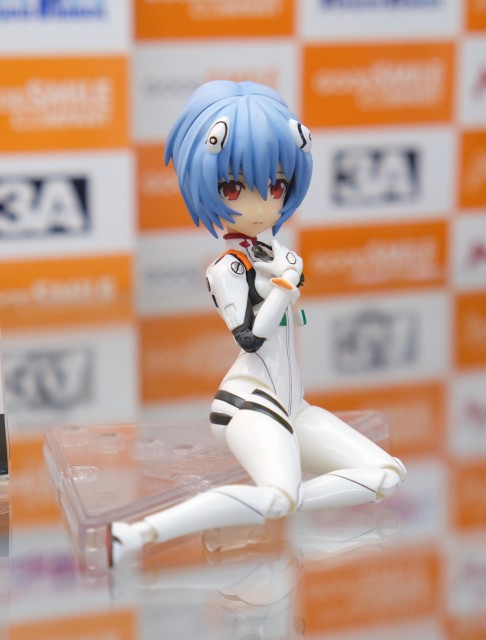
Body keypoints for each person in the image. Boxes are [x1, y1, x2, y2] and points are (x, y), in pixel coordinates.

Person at [109, 81, 406, 566]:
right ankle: (139, 534)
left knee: (387, 474)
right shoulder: (228, 268)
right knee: (276, 495)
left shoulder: (277, 255)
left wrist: (286, 278)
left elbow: (291, 323)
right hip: (248, 400)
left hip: (294, 404)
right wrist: (285, 287)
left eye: (276, 186)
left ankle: (268, 514)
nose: (262, 203)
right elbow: (249, 338)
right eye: (233, 187)